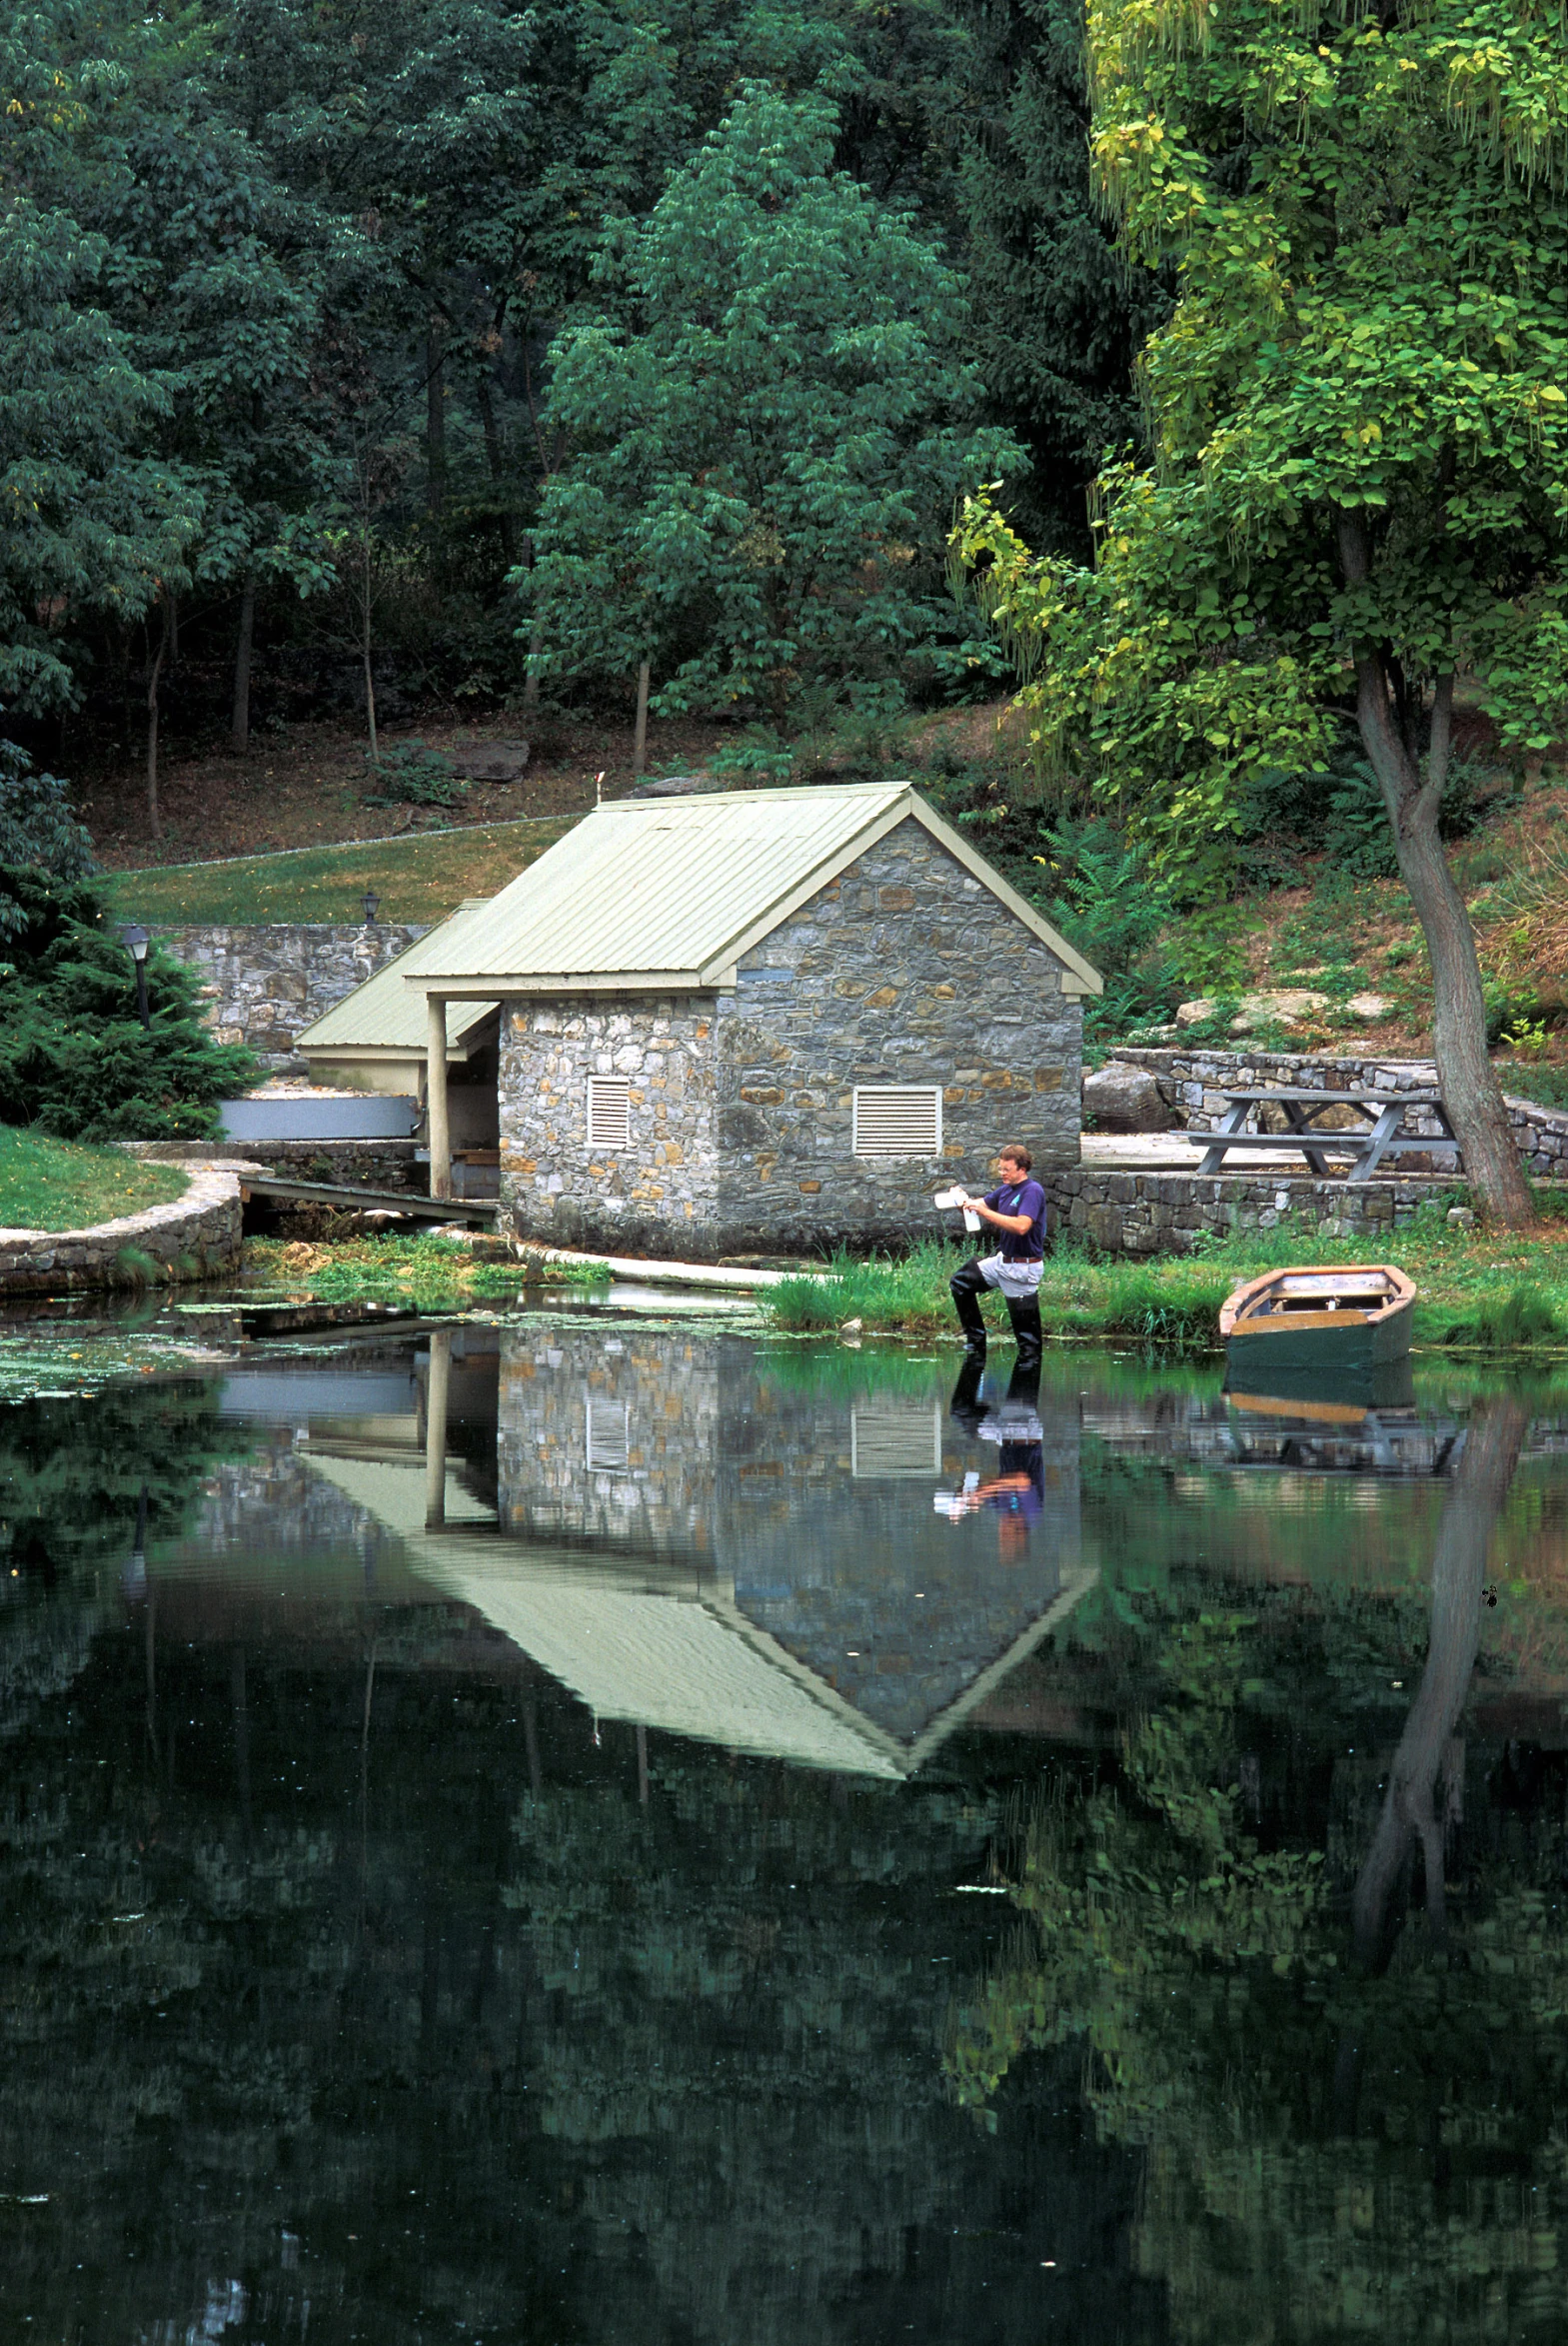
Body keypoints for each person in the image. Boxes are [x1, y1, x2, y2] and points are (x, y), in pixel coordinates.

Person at [948, 1144, 1046, 1367]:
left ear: (1022, 1169)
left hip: (1022, 1269)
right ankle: (976, 1345)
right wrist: (961, 1200)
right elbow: (977, 1206)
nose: (1002, 1173)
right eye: (1000, 1168)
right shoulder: (1005, 1189)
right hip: (1001, 1262)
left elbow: (1022, 1226)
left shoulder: (1032, 1191)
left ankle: (1023, 1396)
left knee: (1028, 1345)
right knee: (960, 1283)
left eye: (1006, 1169)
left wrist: (984, 1212)